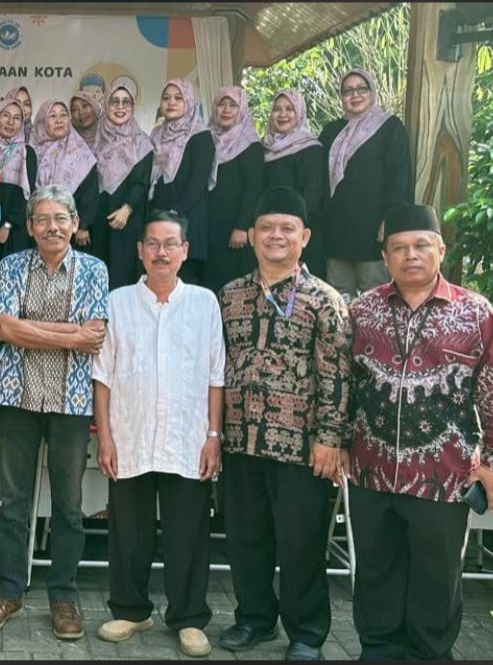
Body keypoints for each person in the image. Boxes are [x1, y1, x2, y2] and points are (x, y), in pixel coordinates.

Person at [346, 204, 493, 660]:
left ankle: (429, 655)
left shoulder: (475, 312)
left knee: (436, 580)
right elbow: (342, 383)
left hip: (444, 476)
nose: (411, 255)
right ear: (385, 257)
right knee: (376, 573)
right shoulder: (362, 311)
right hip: (371, 472)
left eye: (421, 245)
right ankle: (378, 652)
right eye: (399, 248)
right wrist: (336, 442)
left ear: (441, 250)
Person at [218, 186, 350, 661]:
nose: (276, 236)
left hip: (301, 446)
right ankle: (253, 618)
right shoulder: (230, 295)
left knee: (301, 544)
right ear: (252, 235)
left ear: (305, 237)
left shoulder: (324, 299)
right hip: (240, 440)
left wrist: (330, 440)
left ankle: (307, 632)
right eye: (267, 228)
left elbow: (337, 375)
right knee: (245, 538)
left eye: (287, 229)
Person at [0, 184, 110, 641]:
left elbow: (94, 335)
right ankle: (8, 592)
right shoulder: (11, 266)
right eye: (43, 219)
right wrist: (70, 335)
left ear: (75, 223)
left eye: (60, 218)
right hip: (17, 397)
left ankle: (63, 597)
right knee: (13, 501)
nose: (52, 227)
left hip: (72, 401)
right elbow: (5, 329)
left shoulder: (94, 269)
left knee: (68, 505)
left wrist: (32, 329)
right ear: (29, 226)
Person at [92, 209, 224, 658]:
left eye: (170, 244)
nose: (161, 252)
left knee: (188, 532)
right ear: (140, 251)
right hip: (130, 434)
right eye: (153, 243)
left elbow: (216, 375)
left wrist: (213, 435)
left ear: (185, 251)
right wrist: (105, 436)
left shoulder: (204, 303)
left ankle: (189, 618)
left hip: (188, 438)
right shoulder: (118, 302)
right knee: (129, 531)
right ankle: (131, 610)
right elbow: (102, 375)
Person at [320, 67, 414, 300]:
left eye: (362, 89)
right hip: (336, 232)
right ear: (341, 97)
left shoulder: (390, 128)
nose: (355, 95)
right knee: (338, 302)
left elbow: (399, 177)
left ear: (371, 92)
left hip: (373, 231)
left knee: (376, 300)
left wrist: (391, 220)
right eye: (348, 90)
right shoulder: (331, 132)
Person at [149, 79, 216, 285]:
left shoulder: (201, 136)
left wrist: (175, 213)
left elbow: (198, 182)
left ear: (189, 102)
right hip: (159, 217)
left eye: (178, 98)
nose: (171, 102)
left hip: (188, 220)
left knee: (185, 283)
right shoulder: (156, 134)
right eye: (166, 98)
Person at [91, 77, 153, 289]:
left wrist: (127, 209)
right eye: (114, 101)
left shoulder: (142, 142)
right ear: (106, 105)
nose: (120, 107)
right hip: (99, 217)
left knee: (124, 273)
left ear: (133, 108)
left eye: (126, 102)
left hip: (129, 218)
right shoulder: (95, 139)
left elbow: (142, 182)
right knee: (98, 273)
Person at [263, 90, 328, 280]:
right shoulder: (264, 148)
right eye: (277, 109)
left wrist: (290, 227)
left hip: (302, 234)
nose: (282, 114)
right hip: (271, 236)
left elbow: (312, 196)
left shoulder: (311, 148)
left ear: (299, 113)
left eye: (289, 109)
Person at [204, 86, 263, 293]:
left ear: (243, 109)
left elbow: (254, 188)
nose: (226, 110)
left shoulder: (250, 144)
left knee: (233, 286)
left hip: (235, 230)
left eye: (233, 105)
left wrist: (241, 226)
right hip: (210, 225)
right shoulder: (207, 139)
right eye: (221, 104)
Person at [30, 100, 100, 267]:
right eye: (52, 116)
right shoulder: (31, 151)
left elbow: (90, 191)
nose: (59, 120)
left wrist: (83, 225)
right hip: (40, 227)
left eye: (63, 115)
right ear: (43, 121)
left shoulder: (81, 152)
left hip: (72, 231)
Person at [0, 97, 38, 270]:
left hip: (14, 231)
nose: (10, 122)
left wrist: (7, 226)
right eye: (5, 115)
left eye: (17, 118)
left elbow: (27, 196)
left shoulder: (26, 153)